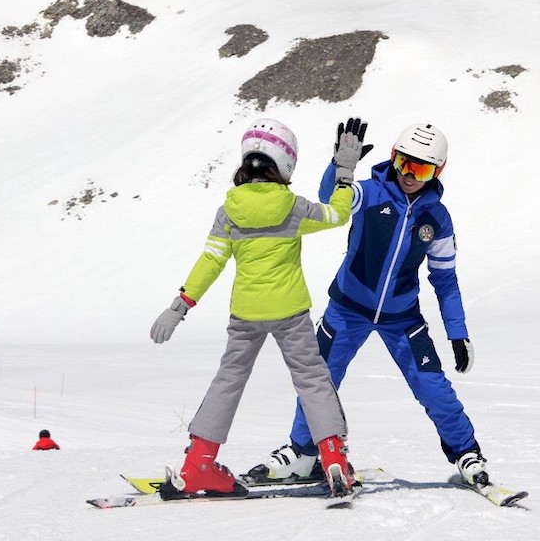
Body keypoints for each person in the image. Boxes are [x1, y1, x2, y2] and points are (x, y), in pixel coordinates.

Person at [246, 123, 491, 487]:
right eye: (404, 163)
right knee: (320, 380)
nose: (409, 175)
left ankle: (466, 451)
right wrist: (339, 166)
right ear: (393, 158)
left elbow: (445, 280)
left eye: (421, 169)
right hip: (347, 309)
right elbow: (331, 198)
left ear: (437, 172)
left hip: (402, 318)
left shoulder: (437, 219)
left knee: (432, 385)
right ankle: (302, 452)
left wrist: (458, 333)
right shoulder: (369, 192)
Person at [149, 117, 369, 499]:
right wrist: (345, 173)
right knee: (313, 379)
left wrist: (179, 305)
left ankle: (199, 464)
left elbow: (211, 261)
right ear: (285, 164)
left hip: (246, 314)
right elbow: (338, 214)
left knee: (228, 380)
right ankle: (333, 458)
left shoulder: (228, 211)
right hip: (291, 311)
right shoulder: (294, 207)